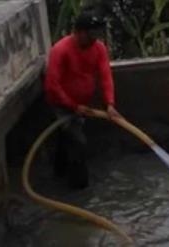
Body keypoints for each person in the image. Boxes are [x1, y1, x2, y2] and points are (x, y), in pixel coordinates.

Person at [44, 9, 121, 189]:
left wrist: (110, 104)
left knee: (66, 139)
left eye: (97, 34)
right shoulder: (60, 50)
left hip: (81, 104)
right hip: (61, 104)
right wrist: (72, 106)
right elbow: (52, 85)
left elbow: (105, 76)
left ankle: (58, 174)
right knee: (78, 142)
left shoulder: (98, 48)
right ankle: (79, 190)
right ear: (78, 32)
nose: (94, 39)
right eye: (90, 34)